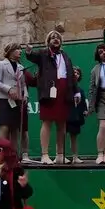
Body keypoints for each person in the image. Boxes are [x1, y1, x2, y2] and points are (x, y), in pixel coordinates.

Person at [25, 31, 80, 164]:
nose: (55, 39)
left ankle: (60, 155)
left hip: (64, 90)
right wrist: (28, 52)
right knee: (47, 121)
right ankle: (45, 155)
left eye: (58, 38)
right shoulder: (43, 53)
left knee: (62, 123)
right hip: (48, 90)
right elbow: (32, 57)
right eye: (52, 38)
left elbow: (71, 75)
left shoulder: (65, 56)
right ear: (48, 41)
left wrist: (76, 92)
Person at [0, 43, 28, 145]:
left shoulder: (21, 67)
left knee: (15, 128)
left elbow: (23, 83)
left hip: (17, 100)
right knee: (5, 126)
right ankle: (0, 152)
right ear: (10, 51)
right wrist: (9, 89)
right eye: (17, 49)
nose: (20, 51)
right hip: (4, 99)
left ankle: (13, 154)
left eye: (20, 49)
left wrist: (25, 94)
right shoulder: (1, 64)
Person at [66, 66, 87, 163]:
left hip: (75, 117)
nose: (75, 74)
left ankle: (75, 157)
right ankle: (60, 155)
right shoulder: (65, 88)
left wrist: (85, 111)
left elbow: (82, 104)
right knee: (61, 135)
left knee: (74, 137)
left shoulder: (81, 90)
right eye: (74, 72)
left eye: (78, 73)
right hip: (65, 115)